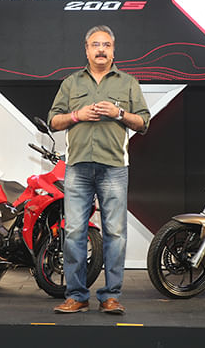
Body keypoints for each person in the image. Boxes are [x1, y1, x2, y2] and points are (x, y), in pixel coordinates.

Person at [47, 25, 150, 314]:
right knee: (74, 232)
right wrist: (76, 115)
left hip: (114, 167)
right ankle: (77, 295)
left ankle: (111, 296)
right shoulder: (71, 83)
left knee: (115, 233)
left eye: (106, 45)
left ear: (113, 50)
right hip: (78, 167)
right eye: (95, 45)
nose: (101, 50)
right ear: (87, 50)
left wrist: (119, 113)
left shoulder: (128, 82)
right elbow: (53, 121)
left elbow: (143, 122)